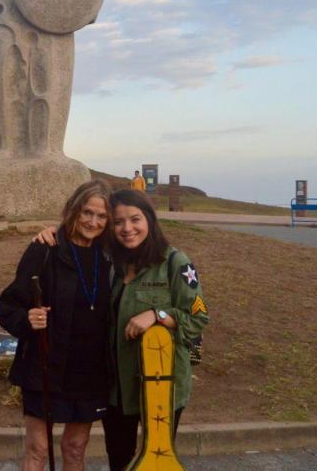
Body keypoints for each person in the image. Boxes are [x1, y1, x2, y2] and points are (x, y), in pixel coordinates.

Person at [36, 189, 209, 470]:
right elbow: (77, 241)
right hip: (116, 387)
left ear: (149, 220)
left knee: (157, 458)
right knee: (119, 459)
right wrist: (52, 233)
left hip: (162, 383)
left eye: (135, 219)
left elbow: (198, 318)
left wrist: (157, 314)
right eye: (118, 222)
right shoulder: (108, 263)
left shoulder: (175, 263)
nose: (127, 228)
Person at [0, 179, 114, 471]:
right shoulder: (45, 249)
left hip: (90, 370)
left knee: (75, 449)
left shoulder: (110, 256)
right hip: (45, 365)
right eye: (87, 212)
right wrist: (27, 318)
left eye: (101, 216)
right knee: (38, 450)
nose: (93, 221)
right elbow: (9, 305)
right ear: (73, 210)